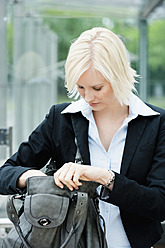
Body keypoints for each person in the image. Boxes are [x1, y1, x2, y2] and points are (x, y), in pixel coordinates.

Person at [0, 27, 165, 248]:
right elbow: (5, 173)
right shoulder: (60, 119)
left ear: (119, 76)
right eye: (80, 87)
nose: (88, 97)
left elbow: (159, 203)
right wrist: (33, 178)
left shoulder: (156, 122)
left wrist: (104, 177)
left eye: (97, 88)